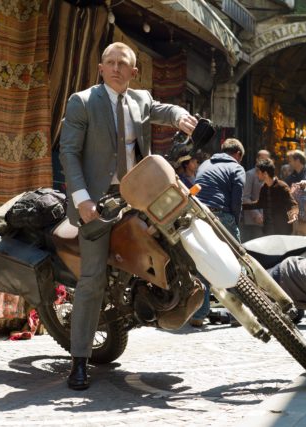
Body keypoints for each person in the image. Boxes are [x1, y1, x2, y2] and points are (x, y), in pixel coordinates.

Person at [59, 42, 197, 390]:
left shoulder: (140, 99)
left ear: (134, 72)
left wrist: (180, 116)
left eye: (123, 63)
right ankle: (79, 362)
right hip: (98, 202)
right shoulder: (83, 101)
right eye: (110, 62)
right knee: (92, 280)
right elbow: (69, 153)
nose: (117, 68)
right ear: (101, 68)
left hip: (138, 196)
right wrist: (82, 199)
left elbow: (161, 109)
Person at [190, 138, 246, 326]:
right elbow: (237, 201)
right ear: (238, 154)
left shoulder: (205, 163)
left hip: (197, 216)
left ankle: (199, 315)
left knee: (204, 262)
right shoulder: (236, 168)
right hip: (220, 215)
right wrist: (235, 224)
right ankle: (239, 314)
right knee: (237, 263)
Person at [243, 158, 298, 235]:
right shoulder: (264, 188)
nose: (256, 174)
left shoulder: (281, 186)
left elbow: (292, 203)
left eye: (258, 172)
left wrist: (294, 214)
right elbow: (259, 204)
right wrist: (240, 206)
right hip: (268, 229)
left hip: (282, 229)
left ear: (265, 173)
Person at [241, 149, 271, 242]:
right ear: (257, 160)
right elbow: (245, 197)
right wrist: (256, 214)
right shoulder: (250, 174)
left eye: (267, 160)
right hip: (253, 221)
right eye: (262, 159)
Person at [284, 150, 306, 236]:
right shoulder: (290, 178)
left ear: (298, 161)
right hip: (293, 216)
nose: (289, 163)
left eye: (290, 161)